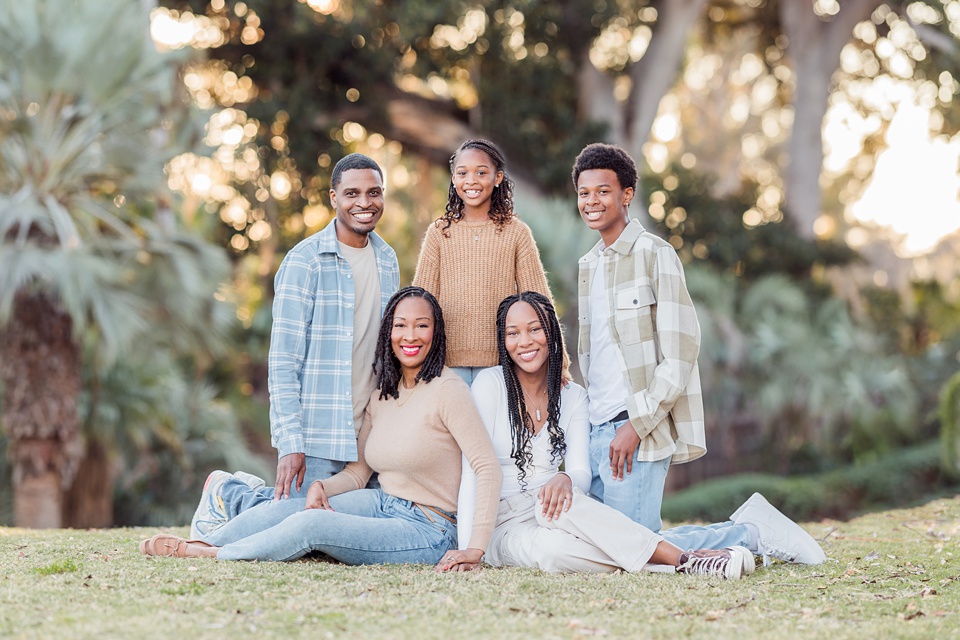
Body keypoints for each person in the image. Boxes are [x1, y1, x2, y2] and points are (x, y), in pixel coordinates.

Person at [571, 143, 824, 565]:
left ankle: (752, 533)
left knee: (632, 549)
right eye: (583, 192)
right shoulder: (588, 265)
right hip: (596, 427)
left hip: (635, 427)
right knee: (607, 545)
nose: (591, 201)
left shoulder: (656, 255)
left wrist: (638, 422)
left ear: (627, 194)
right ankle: (749, 531)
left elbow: (682, 348)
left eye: (602, 191)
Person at [458, 291, 824, 574]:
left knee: (568, 511)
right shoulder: (490, 386)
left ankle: (696, 558)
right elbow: (474, 470)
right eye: (513, 333)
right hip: (503, 523)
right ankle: (688, 560)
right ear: (503, 341)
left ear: (551, 332)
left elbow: (582, 472)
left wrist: (567, 478)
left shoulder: (574, 397)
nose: (525, 342)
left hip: (556, 509)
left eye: (535, 329)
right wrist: (468, 547)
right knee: (553, 555)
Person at [141, 287, 502, 570]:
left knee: (313, 525)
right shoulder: (383, 395)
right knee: (294, 507)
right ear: (388, 332)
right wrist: (322, 486)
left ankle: (210, 556)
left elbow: (486, 466)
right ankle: (208, 541)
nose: (411, 335)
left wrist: (476, 548)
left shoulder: (449, 390)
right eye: (401, 325)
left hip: (429, 527)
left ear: (435, 332)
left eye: (422, 325)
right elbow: (360, 472)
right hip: (381, 501)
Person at [189, 153, 400, 539]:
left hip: (367, 432)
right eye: (352, 193)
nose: (364, 203)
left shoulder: (387, 259)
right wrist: (291, 443)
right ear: (334, 198)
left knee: (353, 526)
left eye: (374, 193)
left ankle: (236, 495)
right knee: (298, 522)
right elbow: (283, 361)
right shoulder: (305, 261)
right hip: (319, 432)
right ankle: (228, 495)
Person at [413, 139, 561, 386]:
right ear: (453, 178)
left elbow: (539, 300)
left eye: (481, 172)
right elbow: (421, 302)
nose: (471, 180)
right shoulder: (439, 233)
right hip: (446, 366)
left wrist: (560, 364)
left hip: (500, 366)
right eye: (462, 173)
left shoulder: (516, 232)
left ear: (498, 177)